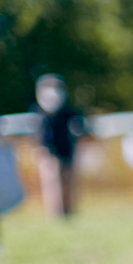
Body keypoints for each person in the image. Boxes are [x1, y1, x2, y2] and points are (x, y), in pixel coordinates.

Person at [33, 75, 83, 218]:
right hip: (49, 152)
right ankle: (55, 214)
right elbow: (41, 135)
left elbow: (79, 126)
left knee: (68, 183)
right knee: (51, 184)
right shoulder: (40, 112)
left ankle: (69, 212)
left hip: (67, 151)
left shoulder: (67, 111)